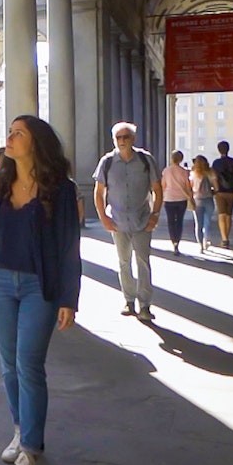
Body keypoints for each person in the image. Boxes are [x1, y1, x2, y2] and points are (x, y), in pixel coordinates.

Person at [0, 116, 82, 465]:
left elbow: (68, 245)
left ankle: (30, 453)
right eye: (10, 132)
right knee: (8, 365)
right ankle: (20, 430)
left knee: (28, 364)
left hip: (39, 287)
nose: (10, 137)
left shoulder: (60, 189)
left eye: (19, 133)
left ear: (36, 143)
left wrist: (69, 298)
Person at [94, 122, 163, 321]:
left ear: (133, 139)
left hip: (142, 219)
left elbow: (157, 189)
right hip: (117, 221)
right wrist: (103, 218)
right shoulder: (107, 162)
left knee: (143, 262)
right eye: (118, 138)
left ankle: (145, 305)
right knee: (123, 262)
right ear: (114, 140)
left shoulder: (145, 160)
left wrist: (155, 215)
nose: (122, 141)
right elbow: (99, 192)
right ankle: (129, 300)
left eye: (126, 137)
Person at [211, 141, 233, 248]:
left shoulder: (216, 163)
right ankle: (227, 237)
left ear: (218, 150)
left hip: (220, 192)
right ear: (228, 149)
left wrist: (215, 189)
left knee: (221, 215)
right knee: (229, 215)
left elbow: (214, 178)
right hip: (232, 191)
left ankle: (224, 239)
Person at [160, 150, 194, 256]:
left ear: (171, 158)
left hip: (169, 198)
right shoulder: (184, 172)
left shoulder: (166, 171)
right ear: (181, 159)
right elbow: (188, 187)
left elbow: (163, 186)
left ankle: (173, 241)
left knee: (171, 221)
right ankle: (177, 242)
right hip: (181, 199)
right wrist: (191, 198)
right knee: (179, 221)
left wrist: (160, 199)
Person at [191, 155, 217, 251]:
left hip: (197, 199)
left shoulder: (193, 174)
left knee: (199, 223)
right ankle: (206, 240)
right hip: (208, 199)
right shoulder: (211, 173)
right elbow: (216, 187)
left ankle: (200, 245)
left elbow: (190, 187)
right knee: (207, 222)